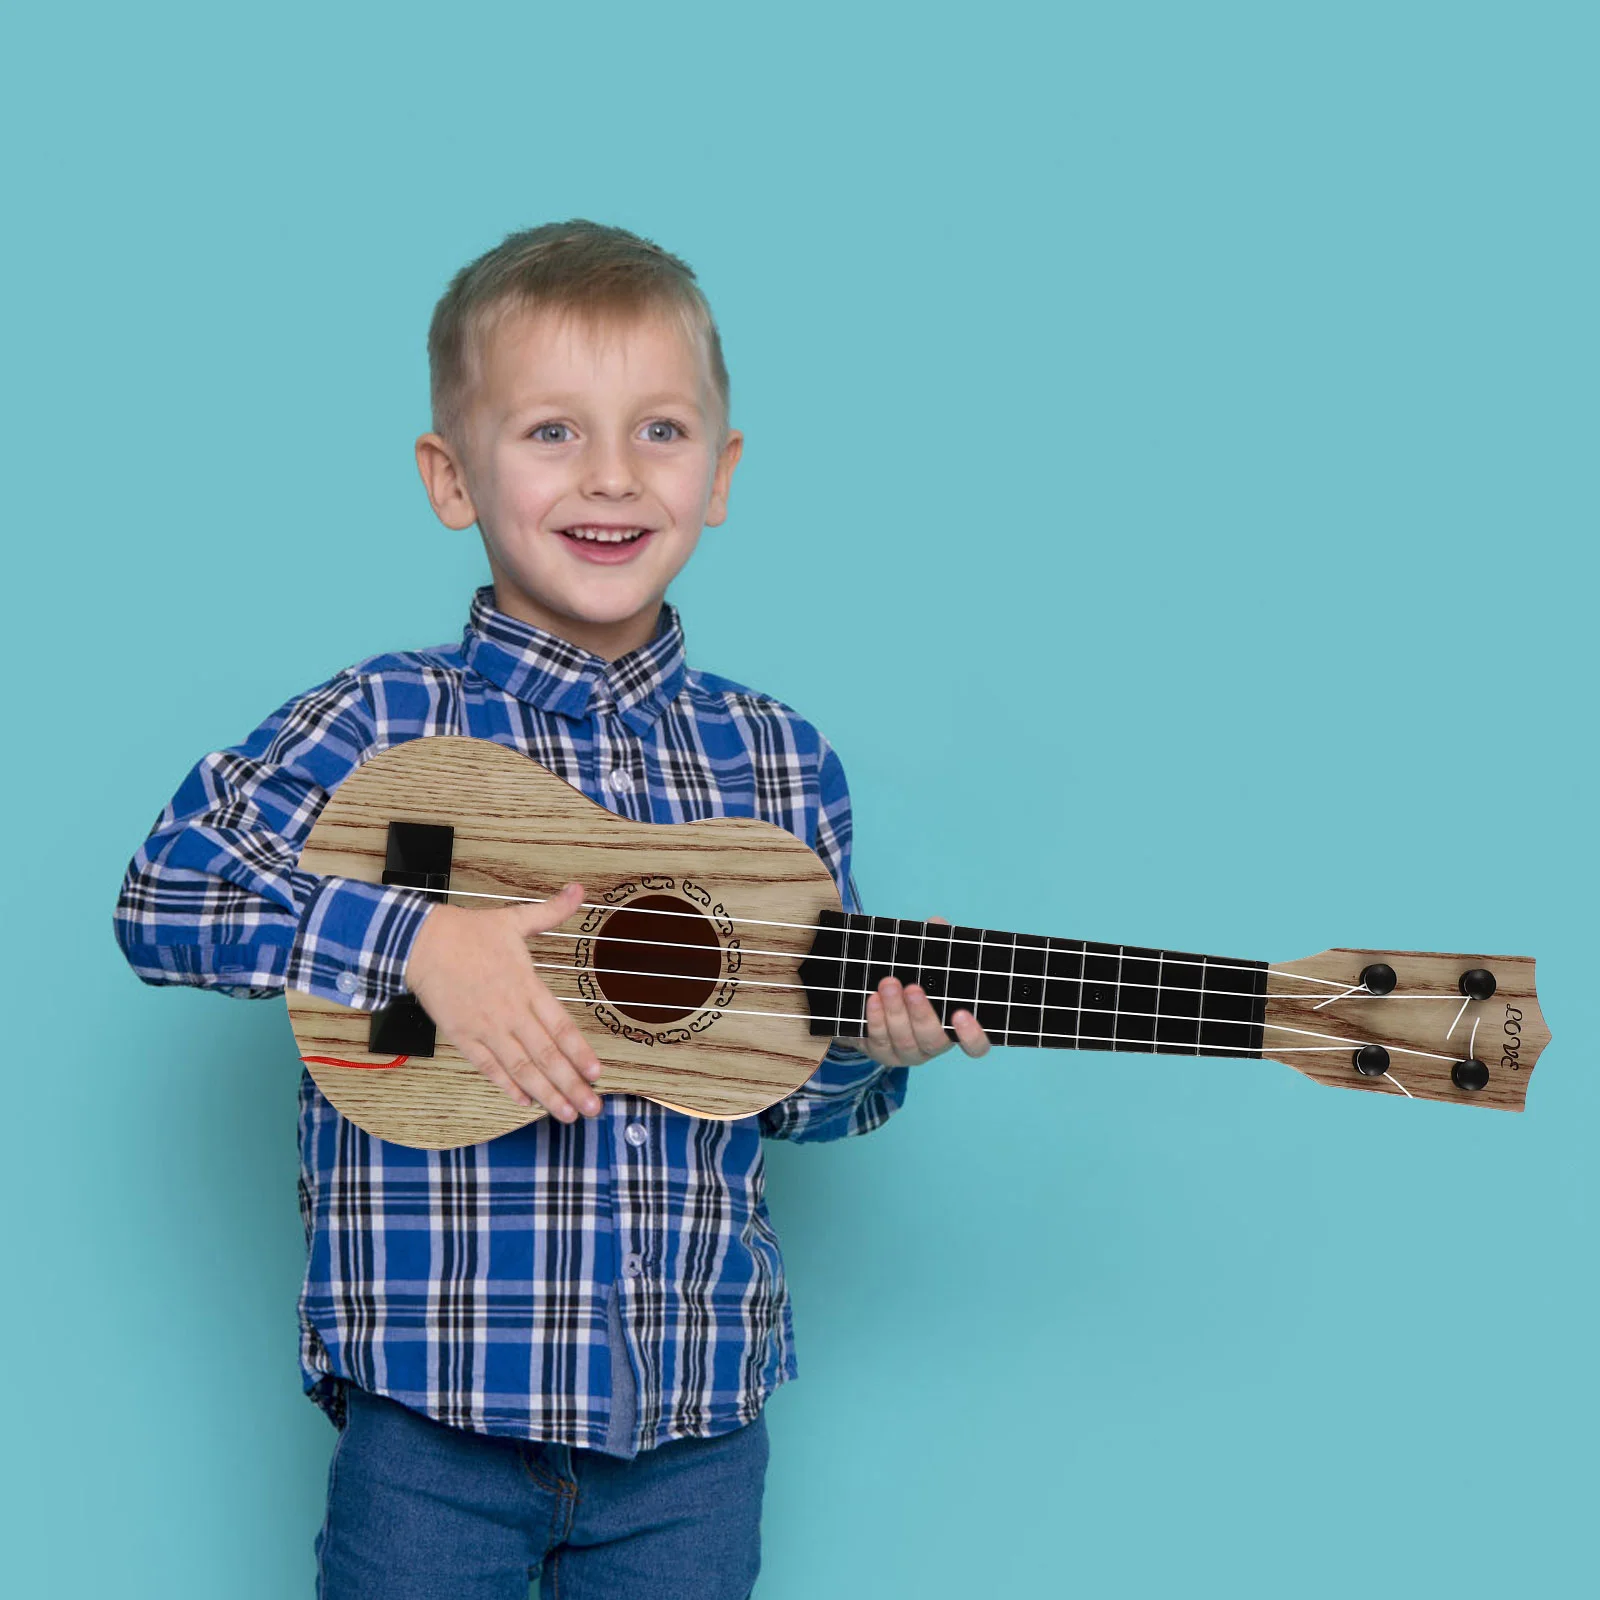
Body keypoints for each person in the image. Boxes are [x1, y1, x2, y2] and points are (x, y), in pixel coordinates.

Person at [113, 220, 992, 1599]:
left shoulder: (775, 765)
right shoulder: (387, 724)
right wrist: (416, 941)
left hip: (698, 1431)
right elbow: (166, 891)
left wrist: (869, 1054)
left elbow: (784, 1092)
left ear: (722, 474)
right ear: (449, 477)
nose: (610, 476)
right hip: (432, 1421)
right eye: (548, 433)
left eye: (658, 430)